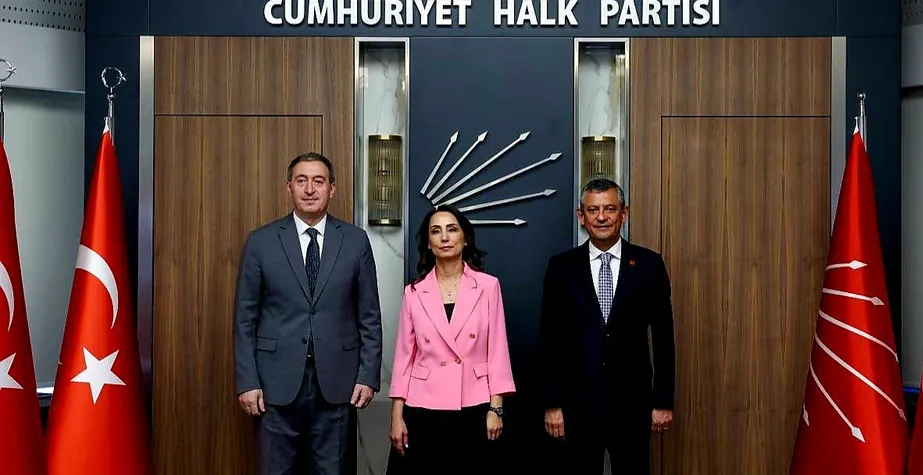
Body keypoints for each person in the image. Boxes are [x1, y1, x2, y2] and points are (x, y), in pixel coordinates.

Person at [233, 152, 383, 475]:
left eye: (319, 181)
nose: (310, 189)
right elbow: (244, 319)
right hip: (273, 386)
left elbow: (369, 316)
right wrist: (247, 382)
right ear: (289, 187)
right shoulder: (261, 242)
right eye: (302, 181)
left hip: (338, 385)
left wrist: (367, 375)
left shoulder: (355, 241)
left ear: (332, 188)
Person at [540, 178, 676, 475]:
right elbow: (551, 340)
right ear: (581, 216)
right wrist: (552, 404)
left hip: (633, 406)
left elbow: (664, 338)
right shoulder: (561, 267)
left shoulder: (649, 264)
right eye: (593, 210)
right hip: (576, 407)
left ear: (624, 213)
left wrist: (663, 401)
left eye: (610, 209)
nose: (601, 217)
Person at [387, 204, 516, 475]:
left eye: (452, 229)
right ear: (429, 243)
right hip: (422, 406)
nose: (445, 237)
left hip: (474, 403)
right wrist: (396, 416)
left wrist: (496, 409)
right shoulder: (414, 292)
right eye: (436, 231)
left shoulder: (488, 286)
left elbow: (498, 352)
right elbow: (403, 358)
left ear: (465, 238)